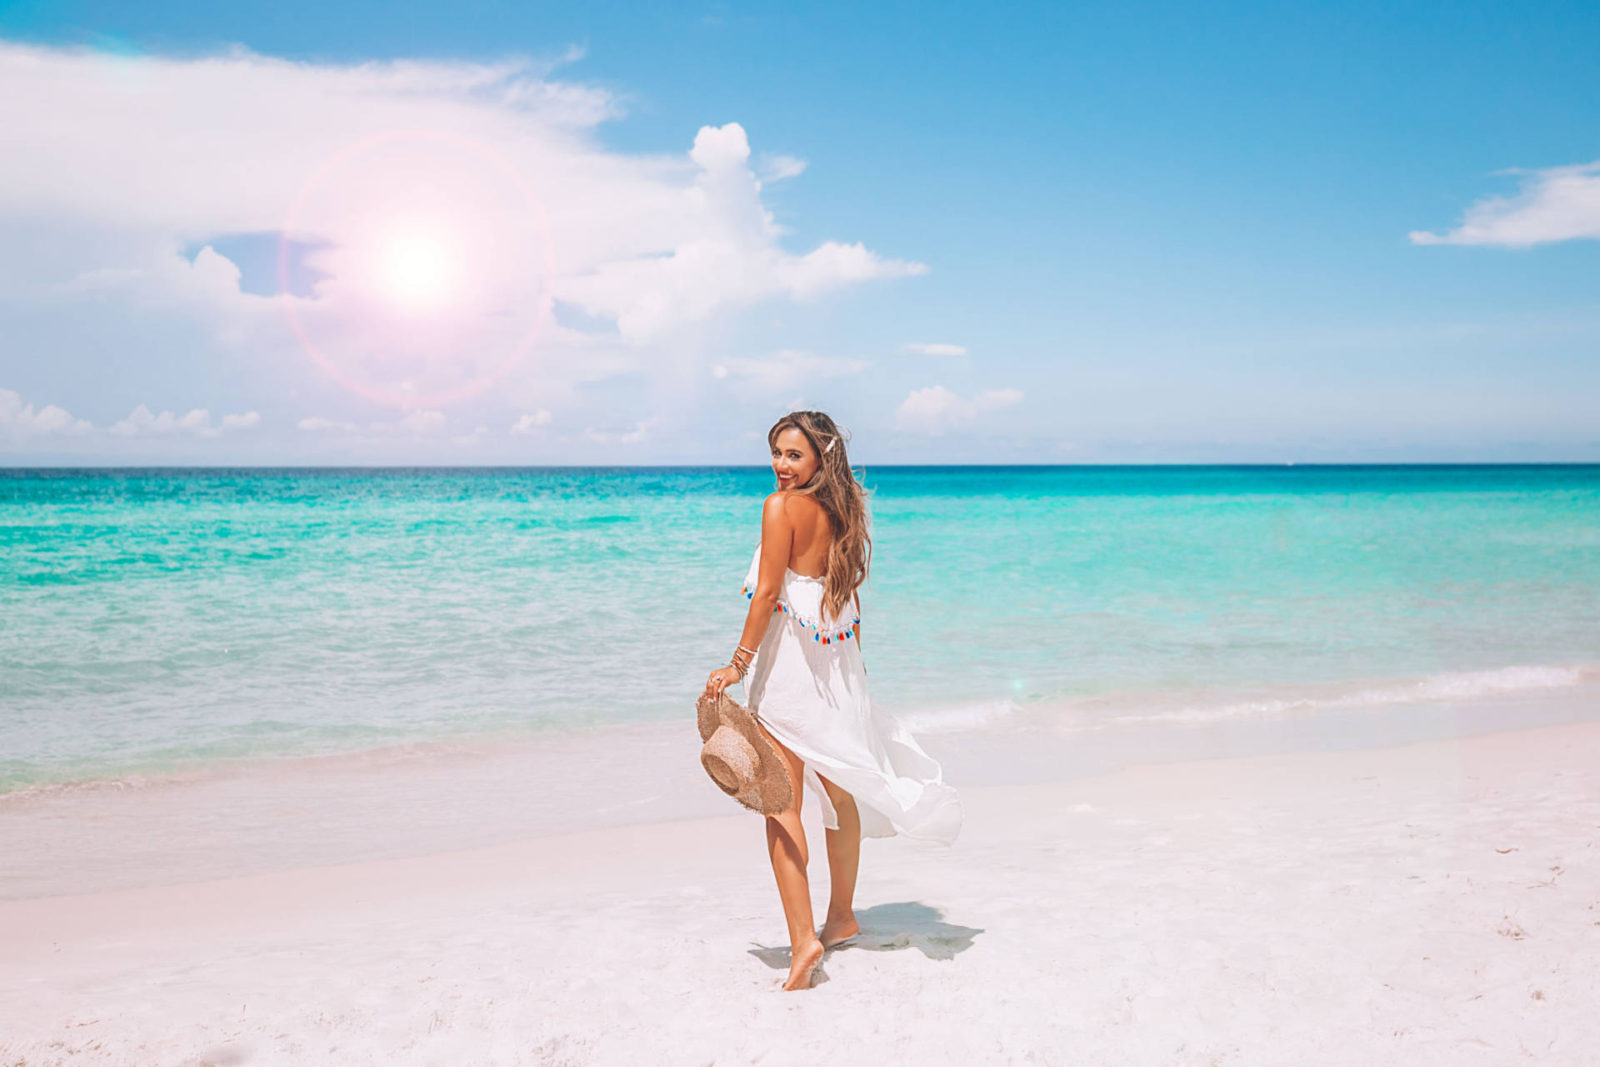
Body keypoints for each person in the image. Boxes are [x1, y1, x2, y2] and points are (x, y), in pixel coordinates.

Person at [703, 410, 964, 991]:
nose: (780, 466)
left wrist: (737, 664)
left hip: (793, 671)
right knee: (839, 792)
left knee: (780, 802)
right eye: (775, 452)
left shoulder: (779, 509)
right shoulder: (843, 512)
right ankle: (842, 916)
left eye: (793, 455)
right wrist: (858, 678)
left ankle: (804, 941)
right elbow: (847, 602)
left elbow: (770, 592)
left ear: (821, 456)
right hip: (839, 665)